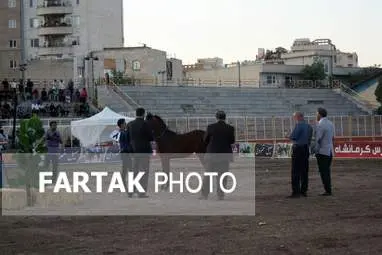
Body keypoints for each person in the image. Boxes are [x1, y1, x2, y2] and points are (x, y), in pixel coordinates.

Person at [200, 110, 235, 200]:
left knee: (208, 176)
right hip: (224, 156)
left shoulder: (211, 127)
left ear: (216, 117)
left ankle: (204, 195)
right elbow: (232, 141)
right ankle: (220, 195)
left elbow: (205, 140)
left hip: (212, 155)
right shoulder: (230, 128)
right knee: (222, 176)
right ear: (225, 118)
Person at [127, 107, 153, 198]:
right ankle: (141, 192)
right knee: (144, 171)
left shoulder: (130, 124)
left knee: (135, 171)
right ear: (143, 114)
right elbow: (151, 138)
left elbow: (128, 138)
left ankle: (131, 191)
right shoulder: (146, 124)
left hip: (134, 150)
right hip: (144, 150)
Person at [288, 112, 313, 198]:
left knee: (295, 171)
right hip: (305, 148)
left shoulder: (299, 125)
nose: (294, 118)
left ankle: (296, 192)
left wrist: (288, 136)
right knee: (304, 170)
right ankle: (304, 191)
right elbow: (310, 138)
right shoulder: (309, 126)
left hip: (298, 148)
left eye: (295, 117)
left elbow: (293, 136)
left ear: (298, 117)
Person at [313, 107, 335, 196]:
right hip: (329, 150)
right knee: (327, 171)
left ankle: (327, 190)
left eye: (316, 113)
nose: (316, 115)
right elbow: (333, 137)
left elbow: (318, 139)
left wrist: (315, 150)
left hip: (322, 151)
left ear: (319, 114)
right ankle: (328, 189)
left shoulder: (320, 124)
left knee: (323, 171)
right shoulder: (330, 123)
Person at [117, 118, 133, 196]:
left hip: (125, 154)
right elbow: (126, 144)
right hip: (125, 153)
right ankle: (129, 190)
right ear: (122, 124)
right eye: (124, 123)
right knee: (129, 171)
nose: (126, 124)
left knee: (126, 171)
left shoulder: (123, 132)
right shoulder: (122, 133)